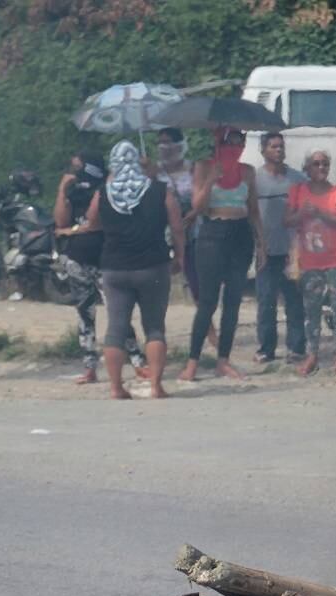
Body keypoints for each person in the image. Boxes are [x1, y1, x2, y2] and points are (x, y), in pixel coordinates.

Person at [83, 141, 184, 399]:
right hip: (153, 267)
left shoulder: (102, 193)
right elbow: (177, 226)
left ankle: (116, 387)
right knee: (154, 327)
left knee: (116, 327)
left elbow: (91, 222)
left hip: (114, 268)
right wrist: (179, 256)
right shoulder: (161, 191)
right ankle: (156, 386)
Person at [53, 151, 147, 384]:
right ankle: (90, 367)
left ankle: (137, 361)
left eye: (77, 167)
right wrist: (62, 191)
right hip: (77, 259)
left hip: (106, 259)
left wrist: (71, 231)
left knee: (118, 312)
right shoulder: (75, 191)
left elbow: (94, 224)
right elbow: (60, 222)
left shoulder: (106, 188)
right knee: (85, 315)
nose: (73, 172)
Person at [181, 127, 264, 382]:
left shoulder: (247, 171)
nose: (235, 147)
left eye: (240, 142)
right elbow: (198, 207)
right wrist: (210, 181)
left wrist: (263, 244)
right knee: (207, 302)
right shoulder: (204, 167)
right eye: (231, 142)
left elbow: (253, 210)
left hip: (240, 234)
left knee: (233, 302)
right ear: (220, 142)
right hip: (212, 233)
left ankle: (224, 360)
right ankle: (192, 362)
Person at [285, 150, 336, 375]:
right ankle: (312, 354)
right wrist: (301, 215)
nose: (321, 168)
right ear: (307, 168)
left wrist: (322, 214)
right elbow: (286, 220)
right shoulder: (298, 192)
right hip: (310, 261)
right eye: (316, 164)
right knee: (311, 309)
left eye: (325, 164)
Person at [254, 132, 307, 364]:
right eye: (274, 146)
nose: (279, 150)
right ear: (263, 150)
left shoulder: (297, 179)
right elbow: (251, 215)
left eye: (281, 146)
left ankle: (296, 348)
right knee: (266, 302)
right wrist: (257, 246)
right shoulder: (255, 180)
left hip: (292, 250)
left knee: (294, 302)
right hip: (265, 250)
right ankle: (266, 349)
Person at [155, 128, 207, 347]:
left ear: (180, 145)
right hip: (162, 234)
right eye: (161, 143)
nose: (165, 148)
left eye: (169, 143)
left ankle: (209, 336)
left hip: (193, 232)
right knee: (158, 290)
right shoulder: (154, 172)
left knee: (198, 287)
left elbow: (201, 199)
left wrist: (193, 213)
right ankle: (158, 338)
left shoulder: (192, 169)